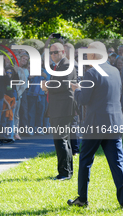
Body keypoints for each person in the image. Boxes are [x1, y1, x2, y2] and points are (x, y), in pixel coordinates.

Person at [68, 41, 123, 210]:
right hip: (115, 122)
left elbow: (83, 100)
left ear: (95, 55)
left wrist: (76, 90)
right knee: (118, 162)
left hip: (96, 123)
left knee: (85, 160)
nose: (86, 57)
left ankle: (82, 199)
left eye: (87, 54)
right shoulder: (115, 71)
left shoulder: (91, 73)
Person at [42, 42, 77, 181]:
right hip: (59, 107)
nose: (52, 55)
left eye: (55, 52)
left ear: (63, 52)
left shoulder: (66, 65)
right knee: (63, 140)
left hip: (63, 108)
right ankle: (67, 171)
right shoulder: (58, 66)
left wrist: (47, 87)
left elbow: (63, 85)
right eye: (51, 53)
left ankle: (64, 173)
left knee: (60, 140)